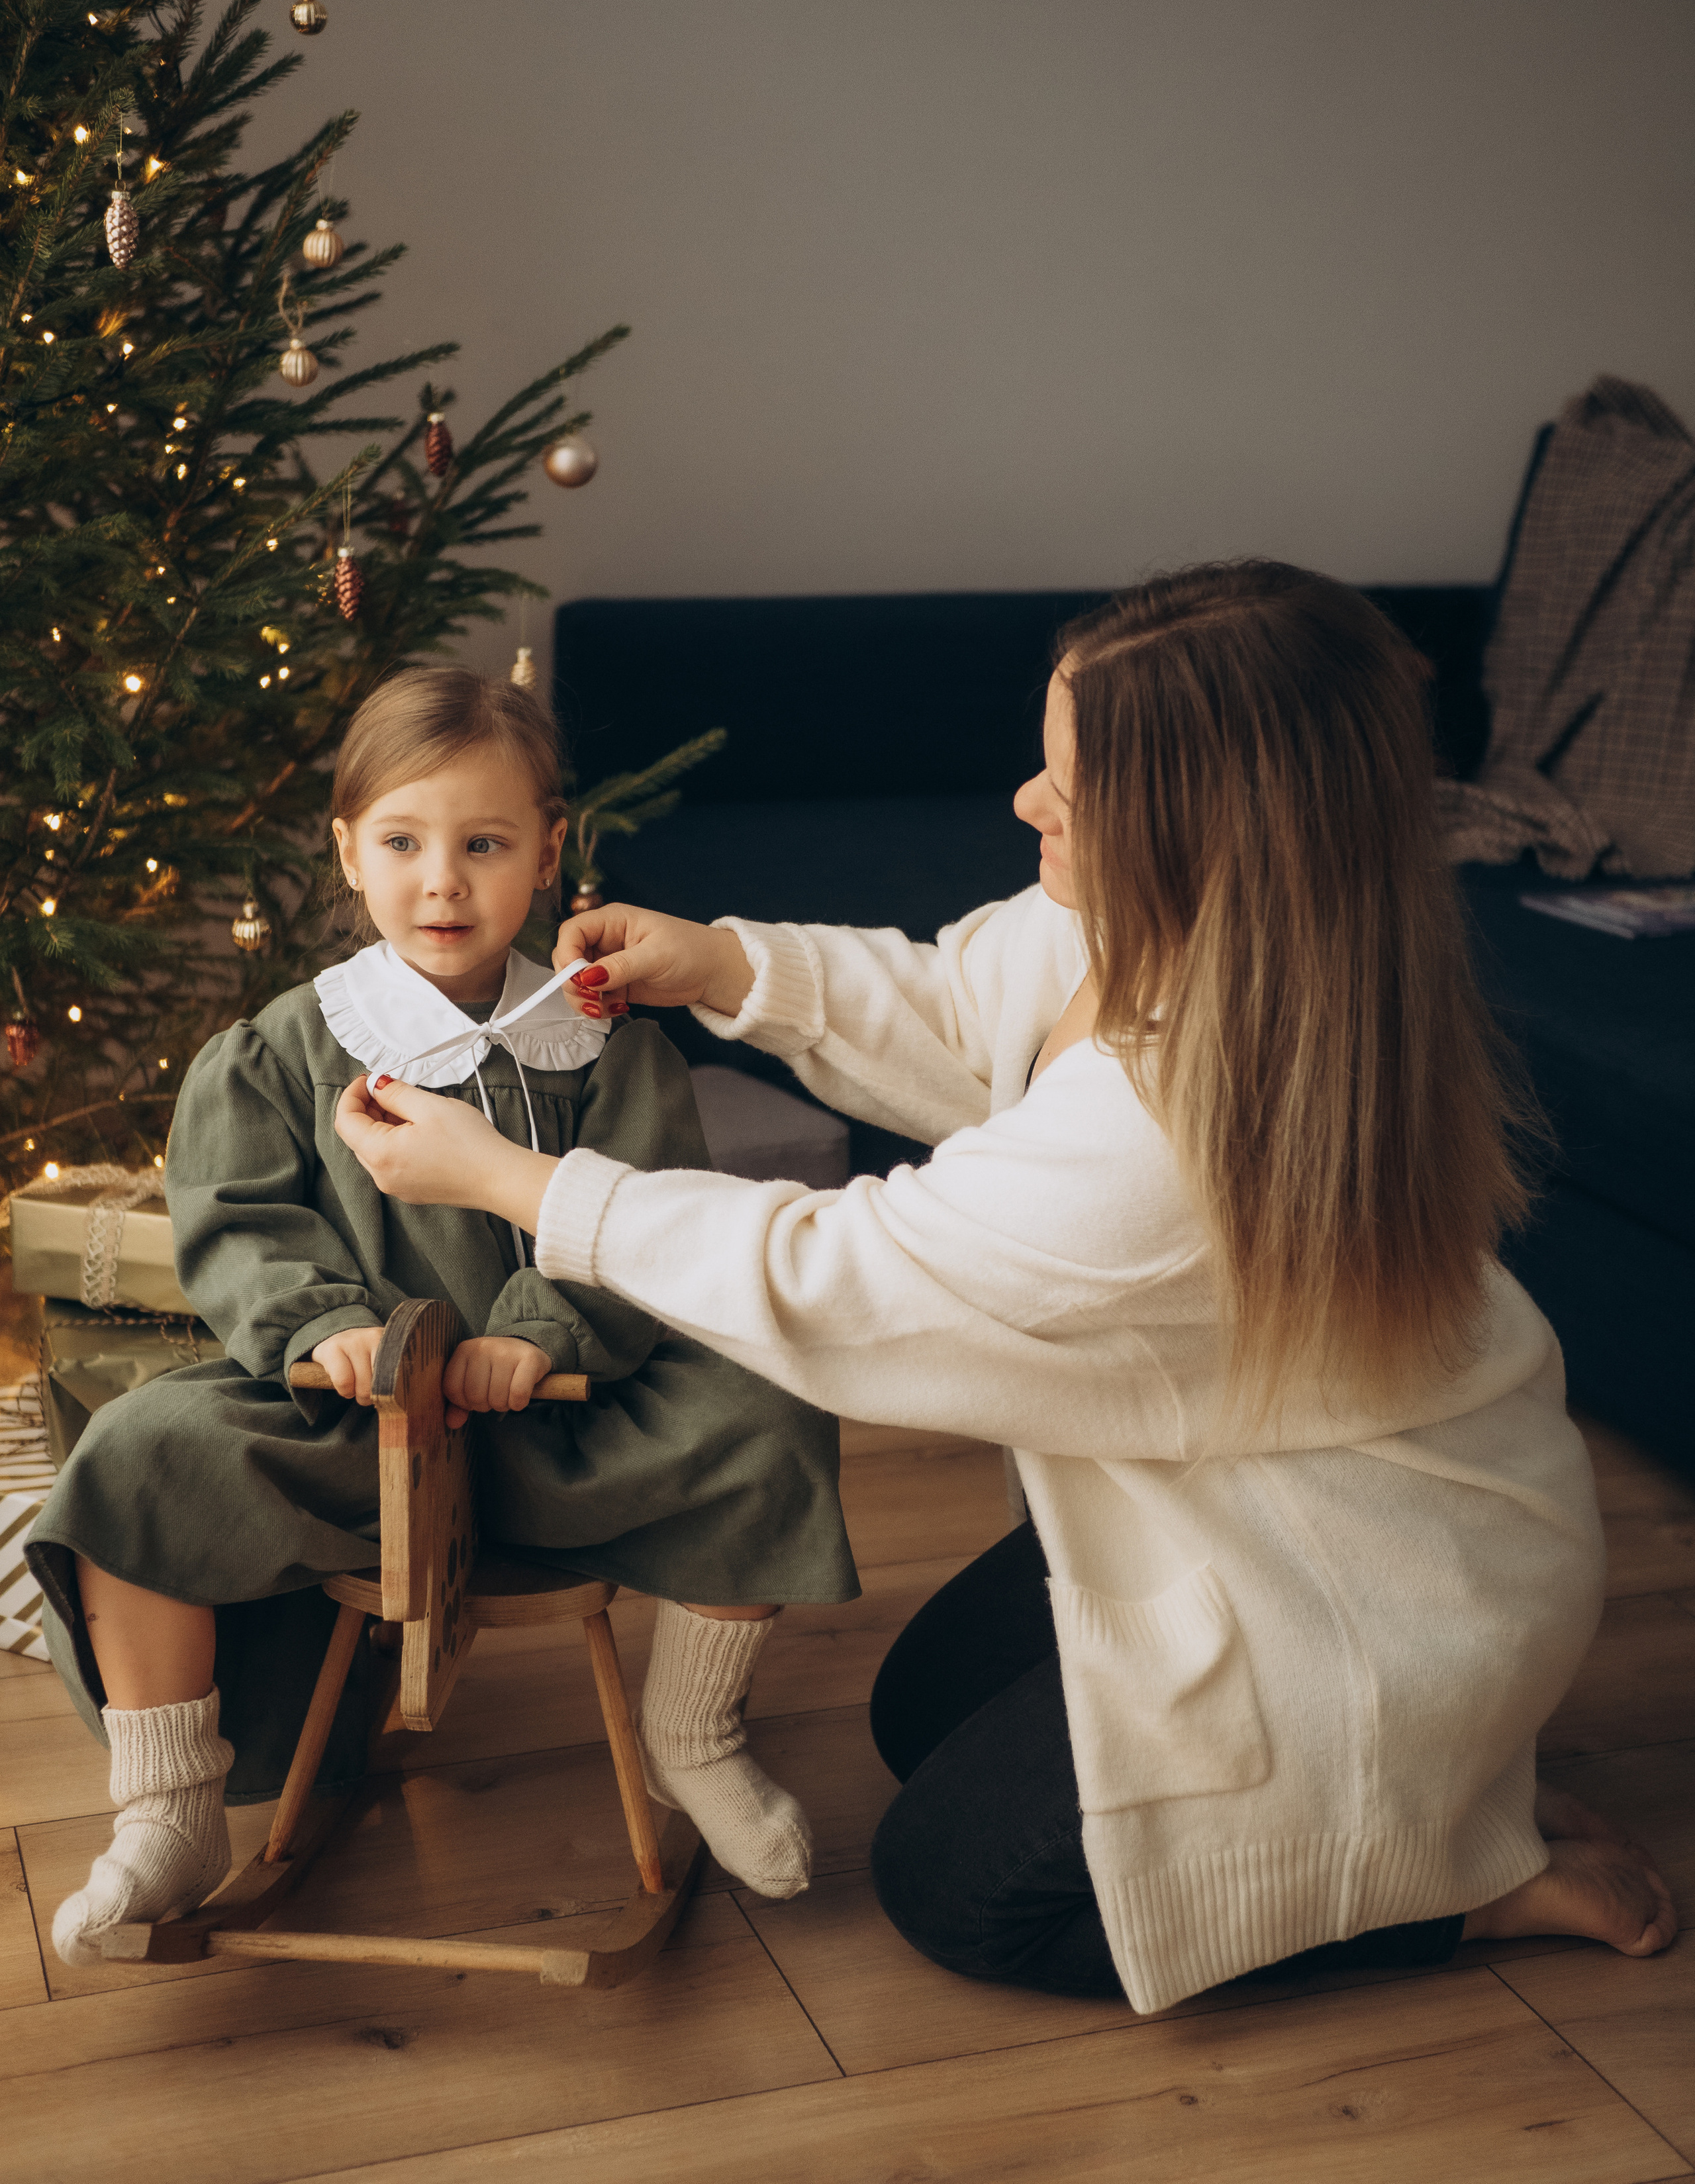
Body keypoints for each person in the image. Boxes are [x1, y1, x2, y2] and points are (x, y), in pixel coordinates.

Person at [332, 566, 1676, 2014]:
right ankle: (1446, 1797)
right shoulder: (1151, 925)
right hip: (1258, 1493)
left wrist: (519, 1188)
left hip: (1374, 1586)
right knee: (918, 1715)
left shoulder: (1183, 1117)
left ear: (1203, 826)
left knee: (957, 1891)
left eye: (1072, 791)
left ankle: (1462, 1884)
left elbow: (849, 1282)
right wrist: (726, 968)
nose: (1028, 801)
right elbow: (959, 1002)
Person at [28, 667, 856, 1970]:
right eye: (405, 845)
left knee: (767, 1414)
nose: (444, 883)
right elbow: (241, 1220)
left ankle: (694, 1737)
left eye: (484, 845)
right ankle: (170, 1806)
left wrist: (542, 1330)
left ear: (548, 852)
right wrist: (325, 1327)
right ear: (350, 853)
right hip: (346, 1425)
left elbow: (644, 1210)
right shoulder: (285, 1047)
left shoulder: (605, 1048)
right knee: (135, 1455)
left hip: (566, 1424)